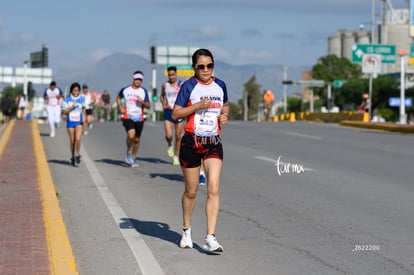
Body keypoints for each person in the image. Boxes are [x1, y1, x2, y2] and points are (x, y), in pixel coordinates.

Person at [172, 48, 229, 253]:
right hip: (191, 143)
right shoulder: (189, 87)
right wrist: (196, 106)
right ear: (194, 68)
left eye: (210, 65)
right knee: (192, 190)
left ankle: (210, 237)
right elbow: (176, 113)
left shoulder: (220, 85)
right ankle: (186, 231)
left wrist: (224, 116)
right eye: (201, 66)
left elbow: (225, 106)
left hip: (213, 142)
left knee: (213, 187)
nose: (206, 70)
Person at [116, 70, 150, 168]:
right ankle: (128, 152)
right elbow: (118, 98)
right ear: (133, 79)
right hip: (128, 116)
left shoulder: (143, 91)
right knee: (131, 135)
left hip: (139, 118)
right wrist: (120, 107)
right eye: (137, 79)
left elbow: (148, 105)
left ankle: (133, 157)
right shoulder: (126, 90)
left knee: (137, 139)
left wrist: (142, 102)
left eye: (140, 80)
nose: (138, 81)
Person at [160, 66, 184, 166]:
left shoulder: (181, 84)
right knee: (169, 135)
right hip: (168, 112)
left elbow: (185, 96)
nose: (171, 77)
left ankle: (176, 156)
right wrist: (163, 103)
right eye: (169, 75)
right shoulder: (165, 85)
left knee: (178, 136)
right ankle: (170, 144)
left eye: (173, 75)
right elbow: (161, 96)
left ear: (176, 74)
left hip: (179, 111)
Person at [61, 82, 86, 167]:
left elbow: (83, 110)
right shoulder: (66, 99)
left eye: (77, 90)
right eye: (74, 90)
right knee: (72, 141)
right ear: (71, 90)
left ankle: (78, 155)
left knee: (78, 138)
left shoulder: (82, 98)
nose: (76, 92)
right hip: (70, 122)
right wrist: (71, 108)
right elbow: (64, 112)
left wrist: (84, 120)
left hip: (79, 122)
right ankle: (72, 157)